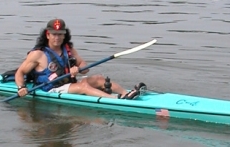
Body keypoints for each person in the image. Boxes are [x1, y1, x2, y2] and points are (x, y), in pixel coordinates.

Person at [14, 18, 143, 99]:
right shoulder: (38, 54)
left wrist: (78, 68)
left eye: (60, 34)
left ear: (64, 35)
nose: (57, 38)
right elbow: (20, 72)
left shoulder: (68, 49)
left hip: (68, 82)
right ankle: (116, 100)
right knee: (83, 86)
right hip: (51, 88)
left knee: (99, 78)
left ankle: (126, 94)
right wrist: (21, 88)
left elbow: (84, 66)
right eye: (54, 34)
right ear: (48, 35)